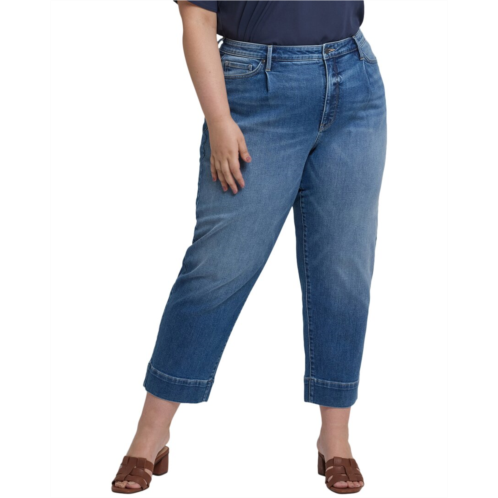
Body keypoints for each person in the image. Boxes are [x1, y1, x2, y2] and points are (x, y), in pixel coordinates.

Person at [112, 0, 386, 495]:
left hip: (354, 80)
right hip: (256, 87)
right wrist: (219, 119)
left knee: (344, 269)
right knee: (217, 268)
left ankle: (336, 439)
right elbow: (196, 17)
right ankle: (150, 435)